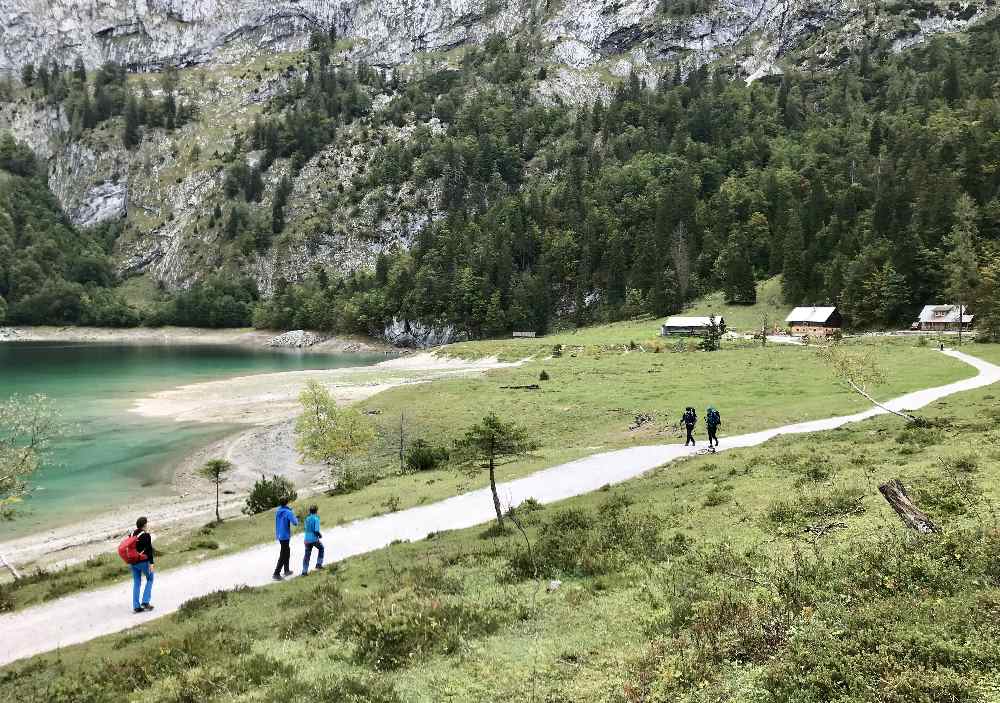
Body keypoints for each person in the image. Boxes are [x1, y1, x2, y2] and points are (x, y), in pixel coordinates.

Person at [129, 517, 155, 614]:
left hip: (132, 562)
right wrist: (151, 563)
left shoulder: (131, 534)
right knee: (150, 578)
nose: (147, 525)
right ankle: (145, 602)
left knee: (137, 582)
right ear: (144, 525)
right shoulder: (146, 535)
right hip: (143, 562)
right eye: (147, 524)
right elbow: (149, 551)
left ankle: (136, 606)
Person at [273, 497, 299, 581]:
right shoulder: (288, 512)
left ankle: (286, 570)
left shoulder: (278, 511)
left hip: (279, 535)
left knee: (286, 551)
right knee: (284, 553)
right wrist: (295, 516)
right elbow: (295, 523)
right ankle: (276, 573)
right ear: (287, 502)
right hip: (285, 535)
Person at [301, 505, 325, 575]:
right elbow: (316, 530)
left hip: (306, 539)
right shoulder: (316, 518)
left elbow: (305, 528)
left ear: (310, 511)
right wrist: (319, 535)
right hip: (314, 539)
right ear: (316, 511)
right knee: (321, 548)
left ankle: (304, 571)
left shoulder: (307, 519)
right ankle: (318, 564)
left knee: (307, 555)